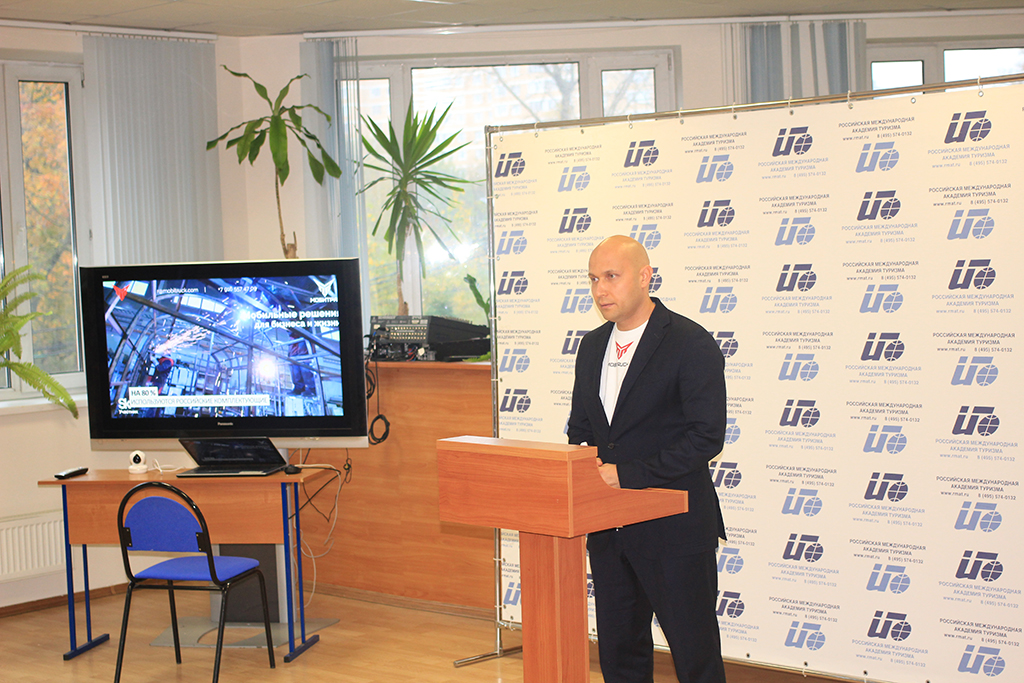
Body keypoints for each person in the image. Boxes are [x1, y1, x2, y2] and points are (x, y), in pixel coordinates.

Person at [567, 235, 727, 683]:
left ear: (644, 277)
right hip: (609, 530)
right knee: (620, 659)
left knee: (696, 659)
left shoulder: (689, 342)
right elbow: (581, 428)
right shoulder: (592, 346)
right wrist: (586, 470)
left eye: (611, 276)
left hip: (674, 529)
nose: (600, 290)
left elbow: (705, 437)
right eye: (593, 279)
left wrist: (627, 475)